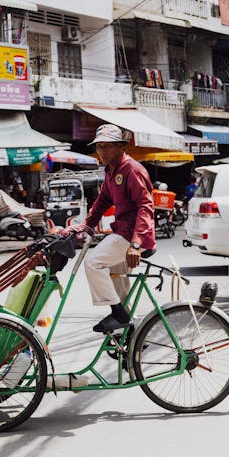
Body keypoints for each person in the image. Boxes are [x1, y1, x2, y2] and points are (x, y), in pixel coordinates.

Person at [67, 124, 156, 334]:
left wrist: (136, 244)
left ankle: (118, 314)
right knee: (119, 289)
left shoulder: (132, 170)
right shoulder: (110, 172)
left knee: (93, 262)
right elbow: (102, 201)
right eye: (99, 147)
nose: (102, 151)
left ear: (120, 147)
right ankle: (130, 337)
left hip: (132, 236)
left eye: (107, 146)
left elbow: (146, 206)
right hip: (122, 233)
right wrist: (88, 224)